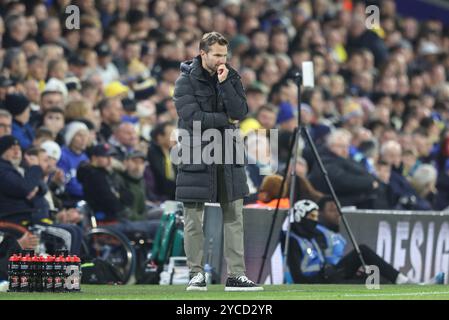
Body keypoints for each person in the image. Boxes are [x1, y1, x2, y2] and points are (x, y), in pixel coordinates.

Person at [174, 31, 262, 291]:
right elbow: (193, 118)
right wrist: (226, 121)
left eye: (225, 55)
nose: (222, 60)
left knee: (234, 215)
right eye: (217, 55)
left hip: (229, 154)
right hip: (195, 153)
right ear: (203, 54)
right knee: (193, 218)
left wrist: (224, 85)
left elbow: (240, 112)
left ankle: (236, 275)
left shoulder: (231, 77)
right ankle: (196, 274)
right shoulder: (184, 81)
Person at [285, 198, 445, 285]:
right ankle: (408, 284)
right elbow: (299, 277)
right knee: (369, 281)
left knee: (374, 278)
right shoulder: (294, 240)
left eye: (315, 216)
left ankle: (406, 283)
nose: (314, 220)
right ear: (299, 216)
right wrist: (326, 274)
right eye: (310, 216)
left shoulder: (311, 236)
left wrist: (329, 270)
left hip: (327, 275)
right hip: (318, 281)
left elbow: (324, 262)